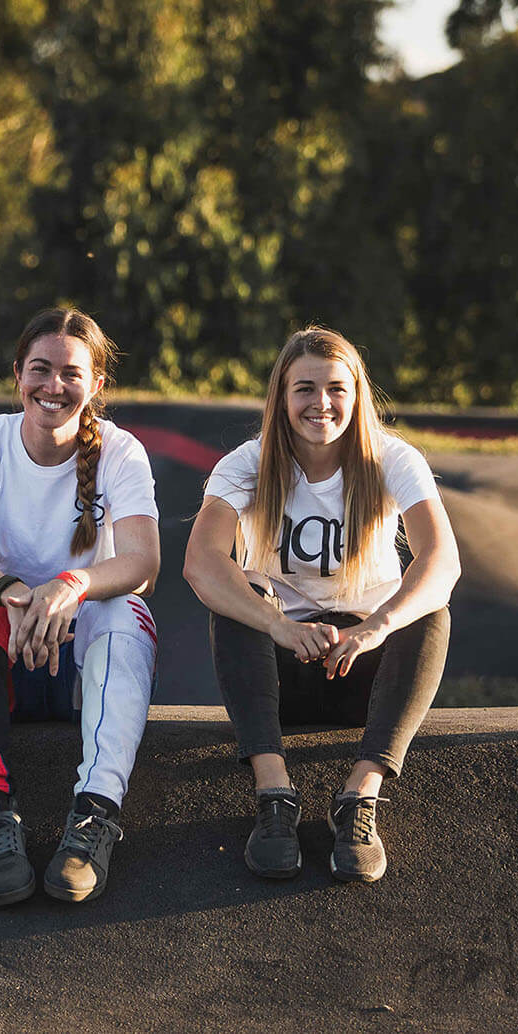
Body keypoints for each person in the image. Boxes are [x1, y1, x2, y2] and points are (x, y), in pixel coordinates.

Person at [182, 325, 459, 883]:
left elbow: (442, 562)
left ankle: (361, 795)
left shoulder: (392, 459)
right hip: (281, 678)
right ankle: (274, 794)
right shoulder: (248, 462)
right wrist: (278, 624)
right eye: (304, 388)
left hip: (365, 674)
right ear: (281, 398)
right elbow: (201, 563)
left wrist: (375, 628)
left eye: (336, 388)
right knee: (236, 599)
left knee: (430, 610)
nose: (321, 403)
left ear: (357, 395)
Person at [0, 307, 161, 905]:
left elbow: (142, 565)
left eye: (71, 373)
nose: (53, 386)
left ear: (97, 384)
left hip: (81, 669)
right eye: (40, 369)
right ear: (17, 374)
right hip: (6, 658)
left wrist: (71, 584)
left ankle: (94, 818)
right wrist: (13, 593)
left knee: (124, 610)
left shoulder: (121, 452)